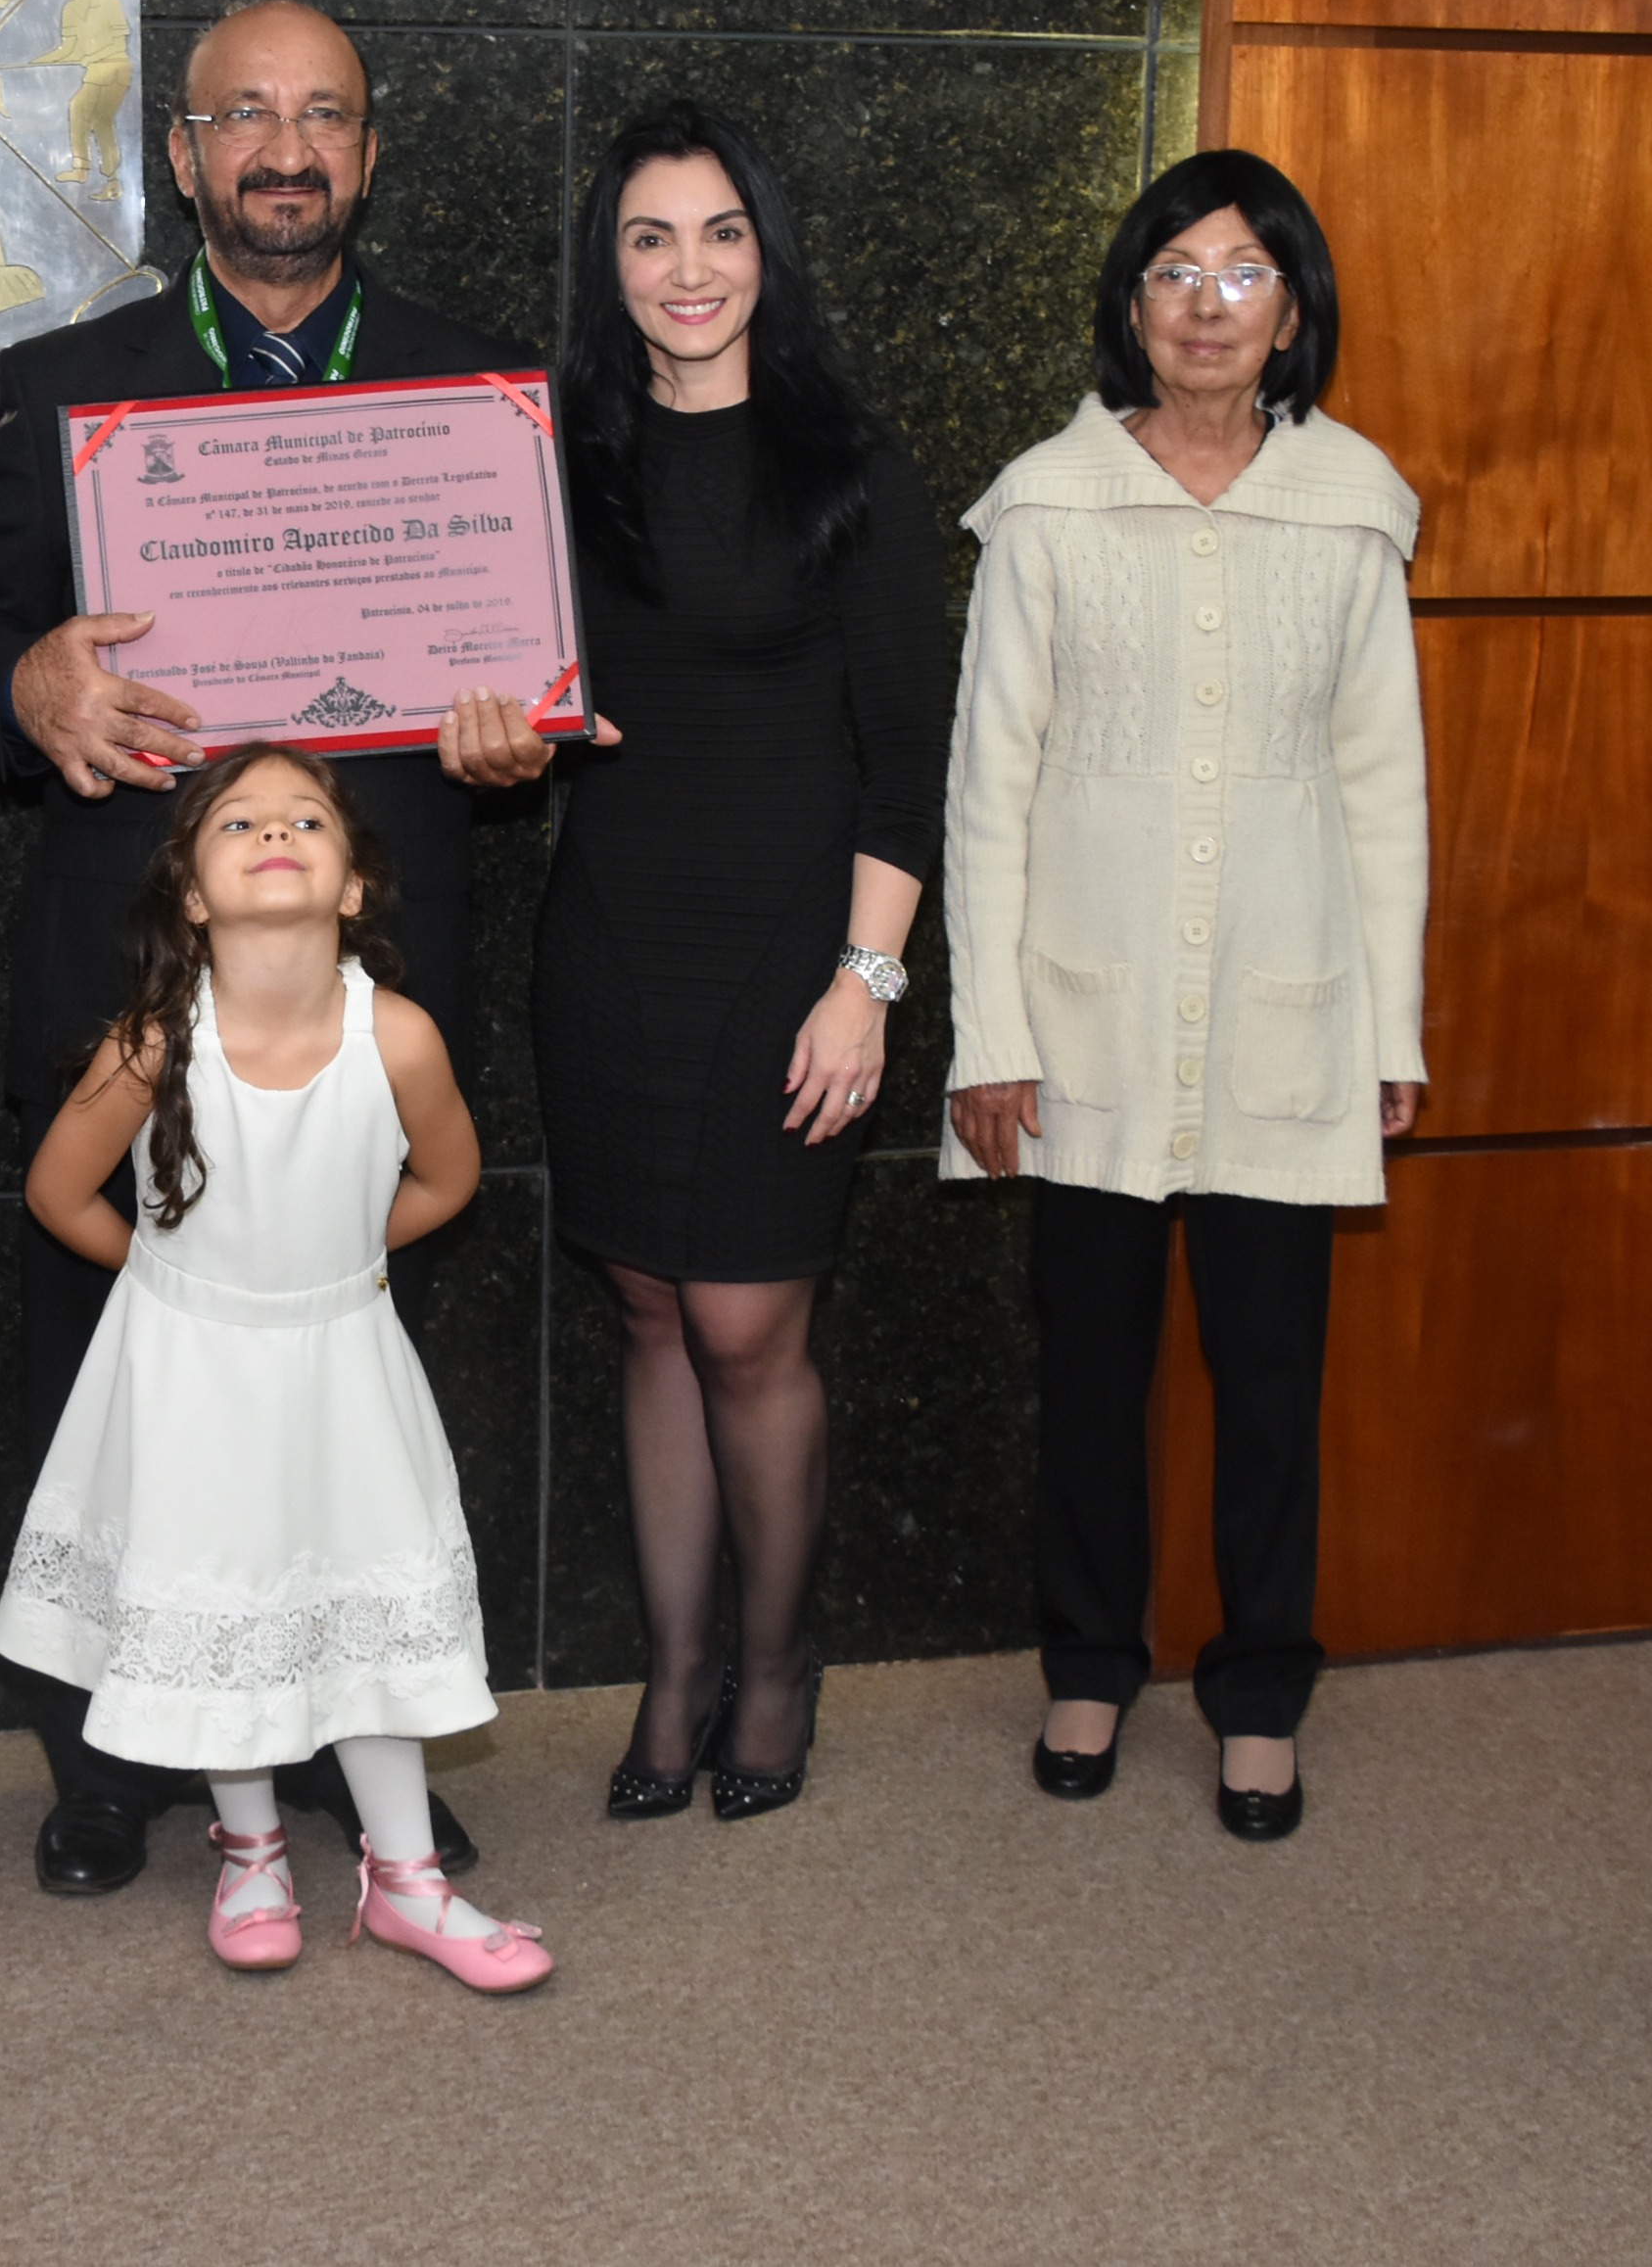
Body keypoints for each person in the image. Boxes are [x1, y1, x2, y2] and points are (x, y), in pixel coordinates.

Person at [0, 0, 610, 1898]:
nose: (285, 149)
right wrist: (29, 679)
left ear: (369, 153)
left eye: (323, 115)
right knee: (112, 1380)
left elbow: (536, 659)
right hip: (130, 977)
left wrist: (518, 735)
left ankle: (336, 1735)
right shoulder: (69, 383)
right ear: (184, 153)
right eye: (246, 114)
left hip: (359, 991)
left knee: (344, 1379)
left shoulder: (477, 390)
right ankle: (105, 1764)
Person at [939, 148, 1428, 1844]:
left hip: (1289, 1009)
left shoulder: (1354, 504)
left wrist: (1391, 1029)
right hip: (1084, 1019)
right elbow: (987, 786)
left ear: (1292, 309)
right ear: (1128, 303)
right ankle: (1088, 1661)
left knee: (1270, 1380)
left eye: (1242, 274)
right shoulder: (1044, 503)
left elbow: (1384, 788)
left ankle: (1261, 1690)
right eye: (1174, 272)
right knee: (1090, 1368)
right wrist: (988, 1033)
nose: (1206, 307)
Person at [537, 102, 952, 1821]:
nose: (687, 269)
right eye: (650, 237)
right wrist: (496, 730)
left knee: (744, 1321)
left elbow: (907, 759)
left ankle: (776, 1669)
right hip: (611, 933)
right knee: (648, 1305)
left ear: (765, 250)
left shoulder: (850, 466)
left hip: (794, 944)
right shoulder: (555, 464)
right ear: (610, 266)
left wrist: (866, 983)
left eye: (719, 231)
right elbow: (522, 696)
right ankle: (674, 1669)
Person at [0, 746, 551, 1993]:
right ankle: (247, 1848)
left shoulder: (396, 1036)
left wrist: (333, 1263)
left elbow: (447, 1178)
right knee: (218, 1593)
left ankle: (408, 1882)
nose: (273, 833)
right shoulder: (151, 1044)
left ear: (352, 886)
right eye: (237, 823)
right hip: (189, 1373)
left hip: (341, 1366)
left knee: (361, 1595)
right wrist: (169, 1282)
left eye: (305, 819)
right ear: (191, 894)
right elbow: (56, 1192)